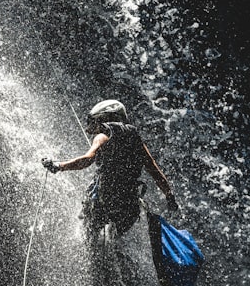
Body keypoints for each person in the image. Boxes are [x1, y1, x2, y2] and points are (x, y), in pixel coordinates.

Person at [41, 99, 179, 239]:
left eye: (94, 121)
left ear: (105, 118)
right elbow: (154, 170)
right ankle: (113, 250)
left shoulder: (102, 136)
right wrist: (169, 196)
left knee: (90, 234)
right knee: (114, 239)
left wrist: (59, 166)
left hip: (105, 202)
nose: (90, 127)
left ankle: (94, 252)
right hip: (128, 206)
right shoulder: (135, 139)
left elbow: (87, 160)